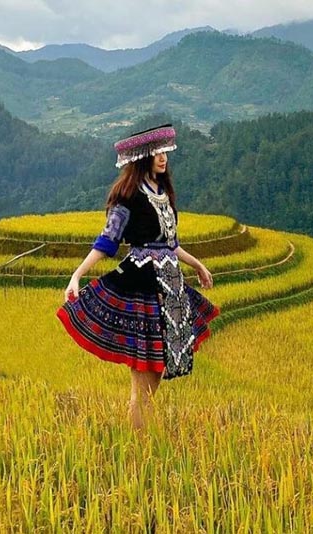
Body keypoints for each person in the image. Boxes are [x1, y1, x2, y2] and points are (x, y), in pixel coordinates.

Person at [56, 123, 219, 431]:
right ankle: (140, 443)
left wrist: (197, 265)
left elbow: (171, 244)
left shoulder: (164, 194)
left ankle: (143, 438)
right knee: (142, 384)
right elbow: (107, 241)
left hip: (170, 290)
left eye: (164, 152)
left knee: (155, 377)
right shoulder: (128, 196)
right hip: (143, 289)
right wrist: (77, 275)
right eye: (156, 153)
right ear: (143, 157)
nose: (162, 158)